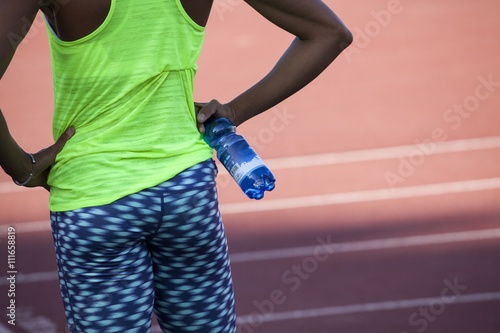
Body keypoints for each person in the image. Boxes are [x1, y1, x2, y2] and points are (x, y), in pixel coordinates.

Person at [0, 0, 352, 332]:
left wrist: (22, 167)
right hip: (187, 193)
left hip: (96, 200)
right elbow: (330, 33)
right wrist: (234, 112)